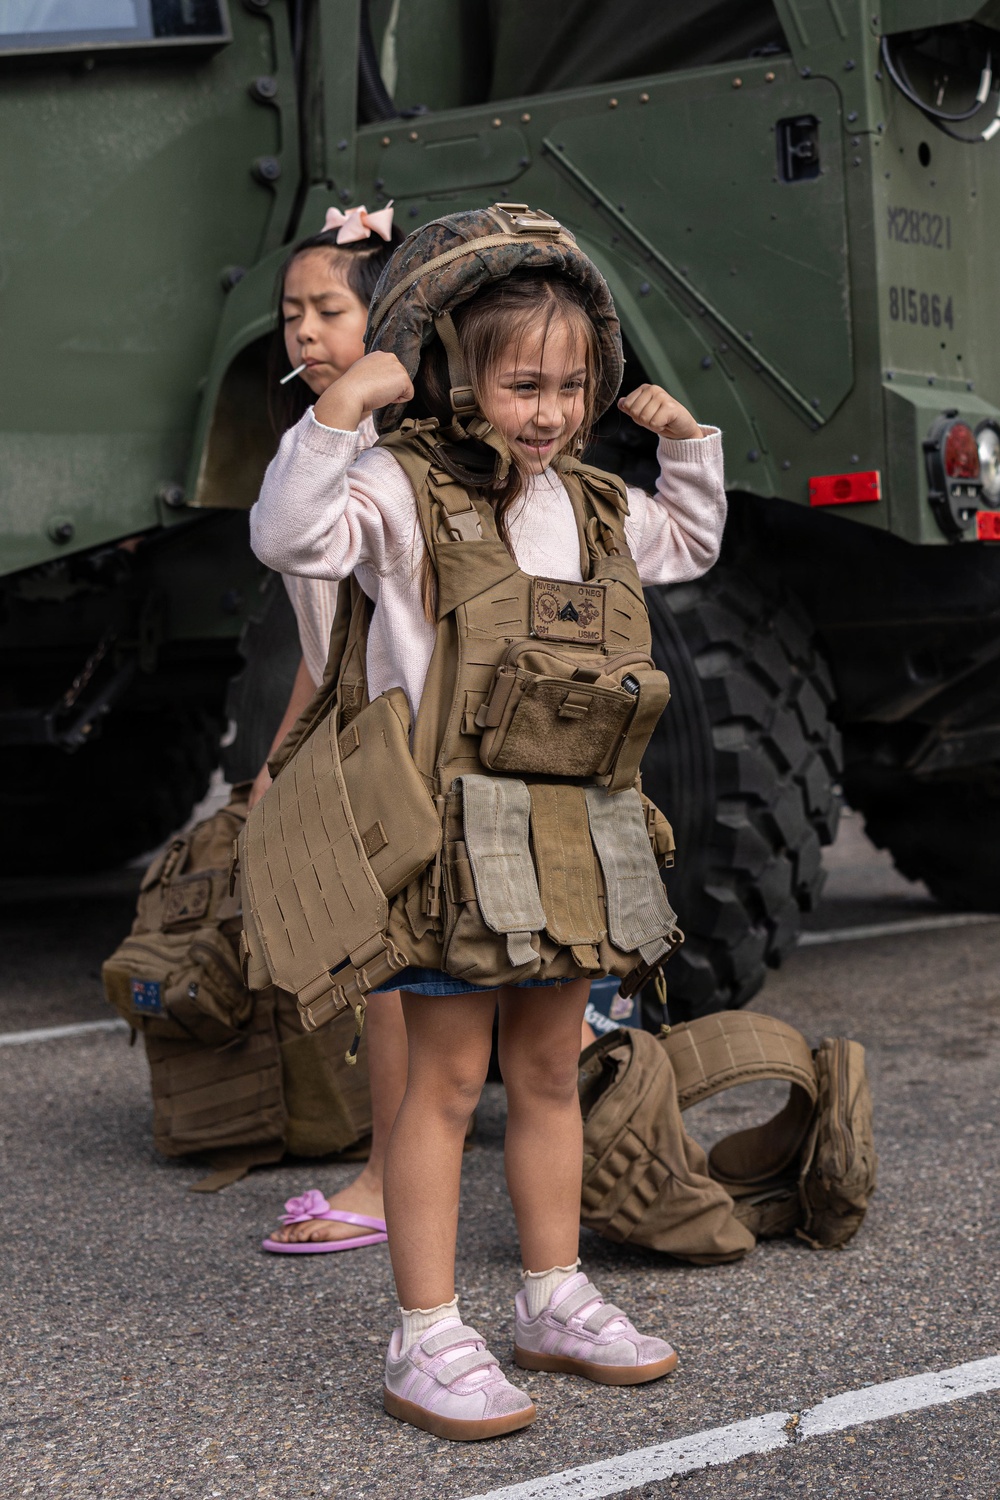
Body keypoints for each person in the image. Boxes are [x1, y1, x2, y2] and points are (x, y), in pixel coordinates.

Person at [249, 206, 726, 1440]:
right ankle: (424, 1335)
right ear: (452, 368)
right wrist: (343, 406)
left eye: (573, 385)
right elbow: (288, 532)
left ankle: (552, 1296)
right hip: (451, 849)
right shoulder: (397, 496)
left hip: (571, 841)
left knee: (548, 1073)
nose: (551, 411)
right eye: (522, 384)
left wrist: (689, 445)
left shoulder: (592, 502)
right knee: (445, 1087)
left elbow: (684, 544)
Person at [250, 203, 410, 1254]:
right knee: (392, 966)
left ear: (384, 321)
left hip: (410, 741)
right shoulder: (307, 445)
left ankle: (392, 1178)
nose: (305, 333)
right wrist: (277, 759)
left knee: (394, 970)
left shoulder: (405, 453)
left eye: (330, 311)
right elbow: (320, 635)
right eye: (291, 314)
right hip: (349, 734)